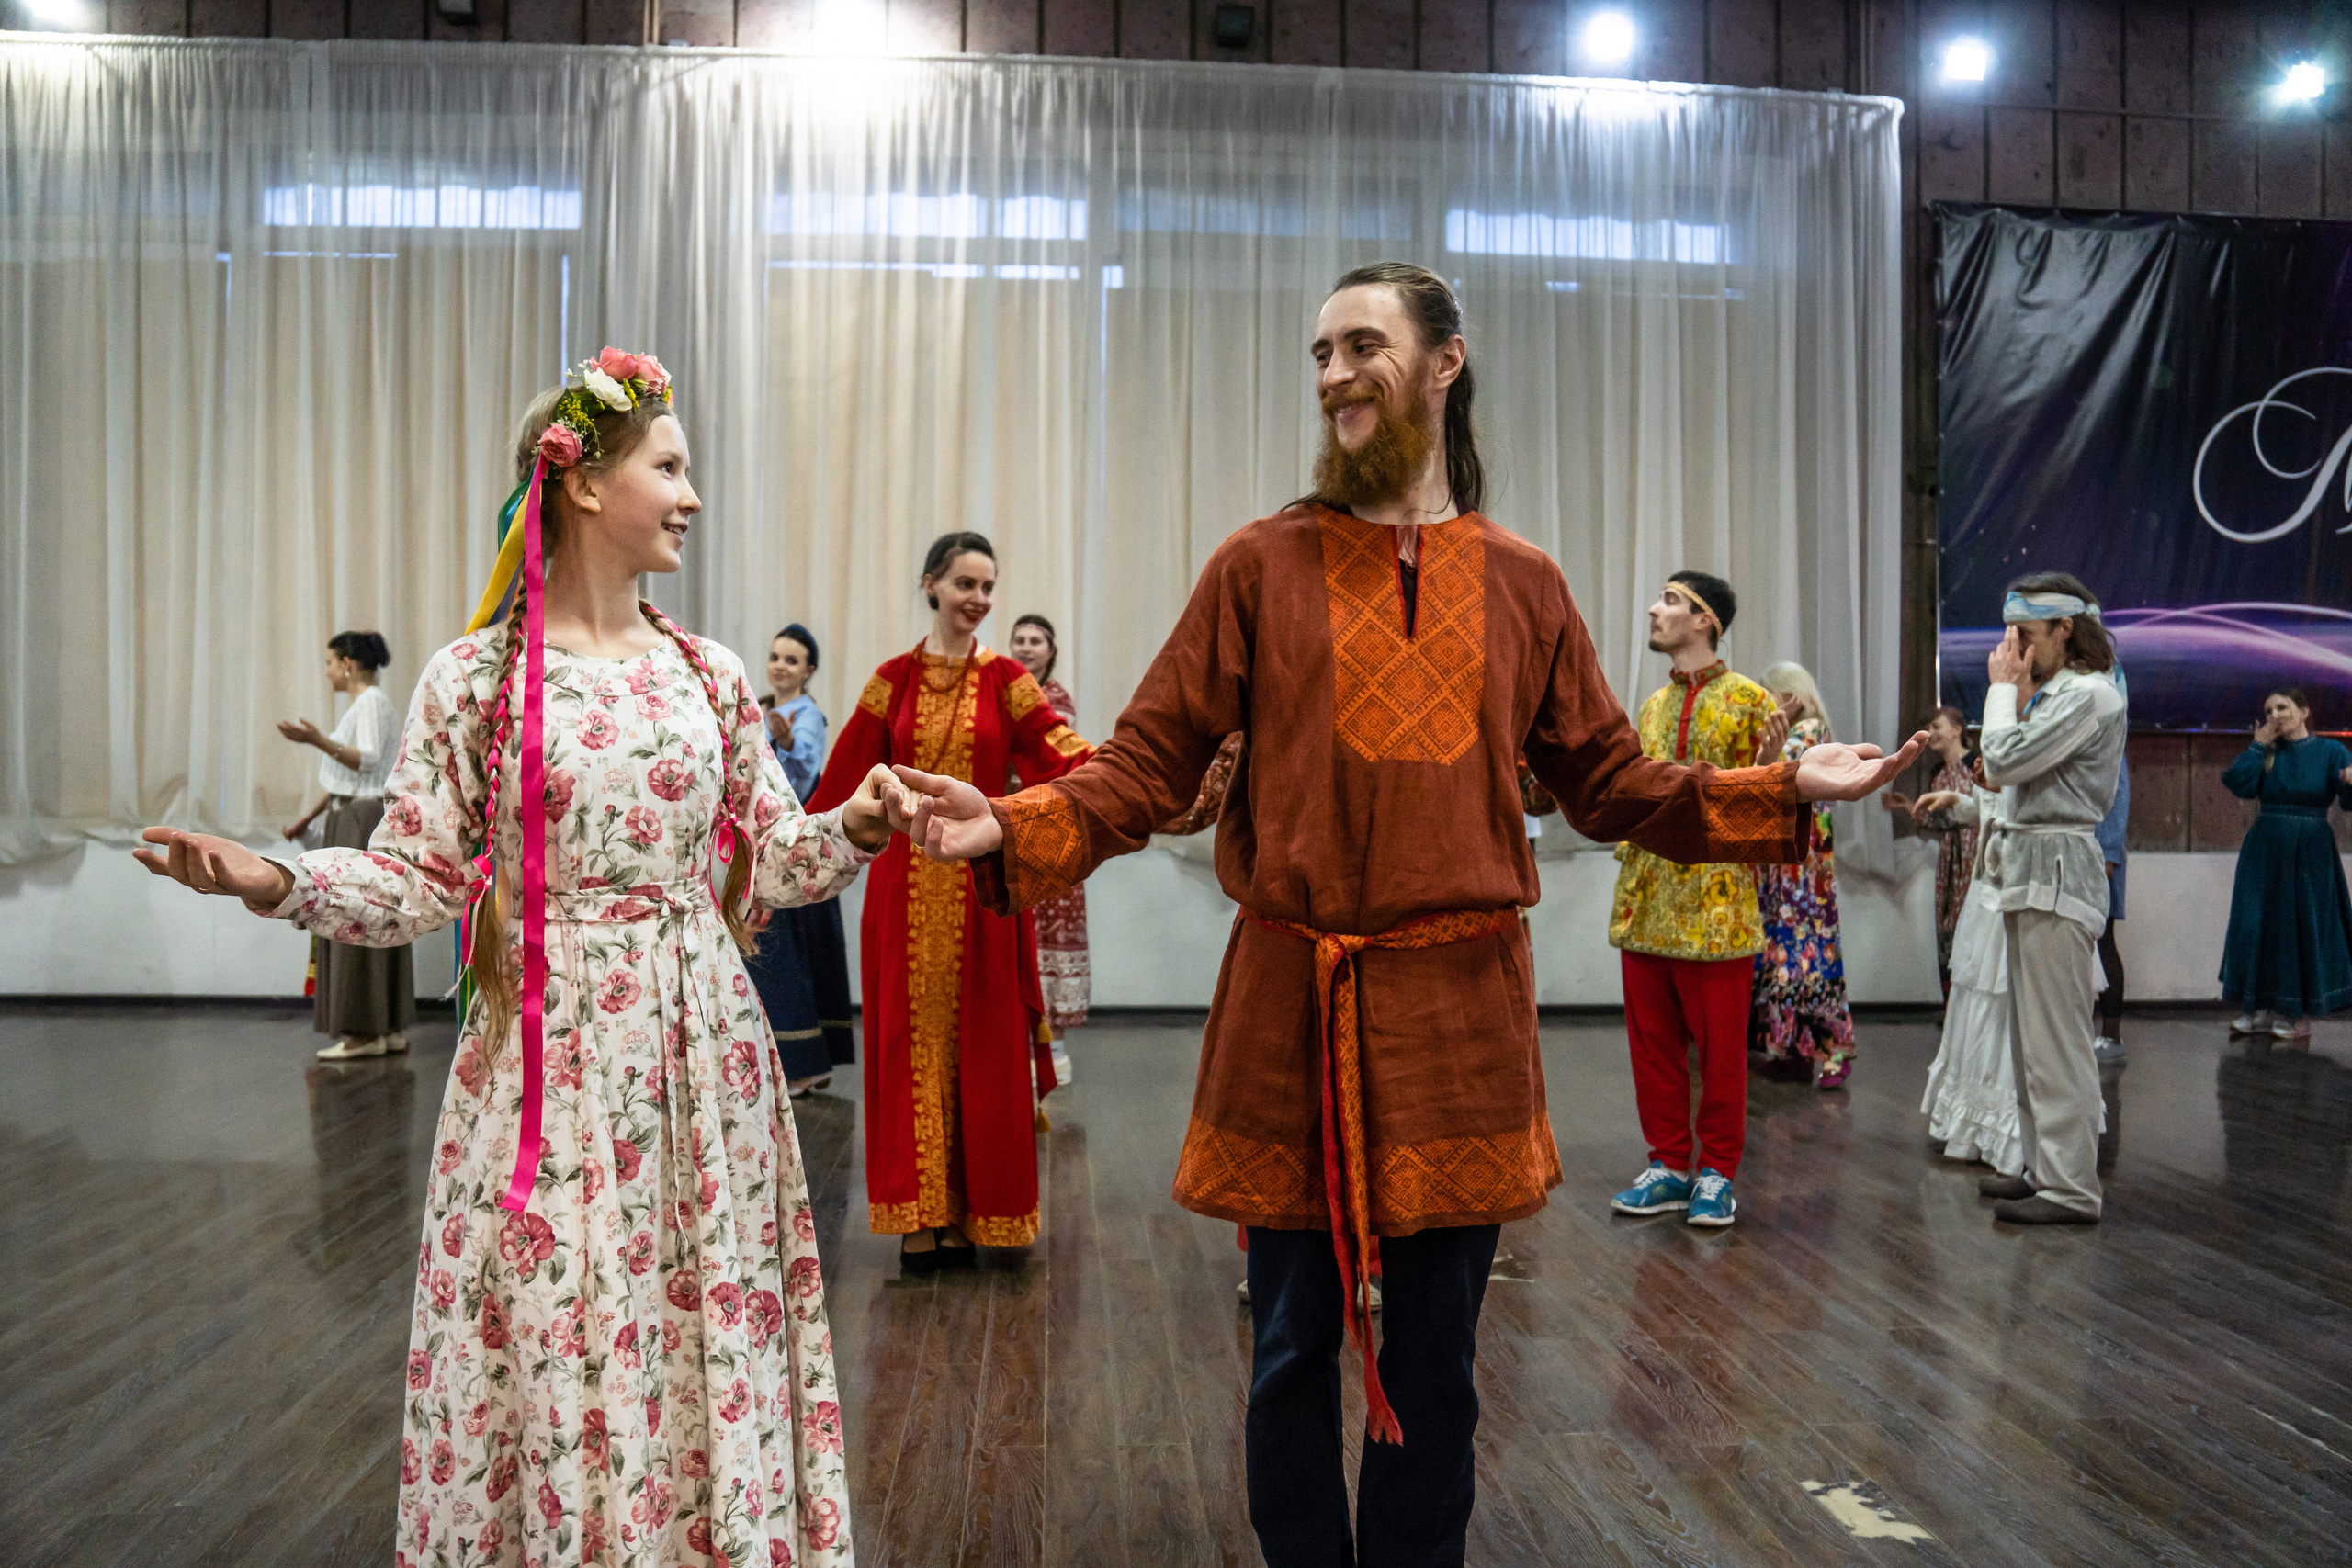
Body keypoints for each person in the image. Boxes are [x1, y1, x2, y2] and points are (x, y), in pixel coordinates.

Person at [882, 263, 1922, 1566]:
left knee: (1438, 1356)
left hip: (1458, 1015)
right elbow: (1146, 759)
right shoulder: (1258, 565)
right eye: (1317, 351)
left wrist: (1781, 784)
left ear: (1445, 362)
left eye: (1360, 345)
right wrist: (1014, 820)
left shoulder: (1526, 581)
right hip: (1291, 1003)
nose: (1330, 375)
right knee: (1287, 1346)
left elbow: (1612, 779)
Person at [135, 351, 901, 1567]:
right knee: (569, 1323)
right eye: (671, 465)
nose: (692, 493)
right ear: (586, 483)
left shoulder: (711, 674)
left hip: (706, 1061)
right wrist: (272, 879)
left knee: (698, 1321)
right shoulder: (478, 677)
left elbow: (776, 859)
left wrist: (853, 823)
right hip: (547, 1059)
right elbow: (419, 878)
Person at [808, 533, 1093, 1272]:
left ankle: (981, 1212)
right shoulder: (890, 680)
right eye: (965, 583)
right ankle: (919, 1214)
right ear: (931, 583)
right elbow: (842, 778)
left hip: (984, 893)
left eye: (988, 586)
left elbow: (1064, 753)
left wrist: (1141, 771)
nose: (979, 599)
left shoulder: (1007, 680)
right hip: (900, 893)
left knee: (986, 1043)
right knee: (908, 1043)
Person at [1916, 571, 2124, 1226]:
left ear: (2067, 629)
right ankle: (2043, 1169)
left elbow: (2003, 759)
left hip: (2058, 878)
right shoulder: (2062, 691)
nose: (2016, 652)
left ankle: (2072, 1188)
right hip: (2031, 869)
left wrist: (2001, 691)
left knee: (2058, 1040)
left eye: (2027, 636)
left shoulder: (2091, 695)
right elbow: (2024, 791)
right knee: (2030, 1040)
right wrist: (1967, 807)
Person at [1605, 572, 1792, 1229]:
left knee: (1719, 1053)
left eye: (1672, 601)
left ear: (1705, 621)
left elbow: (1769, 817)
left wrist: (1769, 771)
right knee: (1651, 1045)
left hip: (1716, 908)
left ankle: (1716, 1172)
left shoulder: (1749, 701)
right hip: (1646, 899)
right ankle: (1667, 1164)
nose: (1656, 608)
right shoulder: (1652, 707)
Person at [277, 630, 414, 1061]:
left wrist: (316, 739)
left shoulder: (370, 702)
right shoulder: (365, 705)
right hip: (353, 813)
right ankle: (385, 1026)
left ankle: (362, 1031)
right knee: (367, 913)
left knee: (352, 914)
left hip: (359, 820)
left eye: (330, 662)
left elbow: (369, 760)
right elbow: (348, 779)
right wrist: (309, 818)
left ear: (349, 664)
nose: (328, 671)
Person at [746, 623, 857, 1095]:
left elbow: (805, 767)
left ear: (808, 671)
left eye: (792, 660)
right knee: (791, 957)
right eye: (775, 656)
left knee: (784, 956)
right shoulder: (766, 710)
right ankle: (804, 1062)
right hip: (772, 846)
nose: (780, 666)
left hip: (793, 850)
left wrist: (786, 742)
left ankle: (802, 1063)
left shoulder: (804, 715)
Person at [2218, 685, 2352, 1045]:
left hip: (2310, 846)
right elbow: (2241, 785)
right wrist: (2257, 744)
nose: (2275, 714)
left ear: (2304, 712)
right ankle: (2256, 1006)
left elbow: (2349, 800)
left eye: (2283, 706)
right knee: (2255, 923)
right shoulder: (2265, 751)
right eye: (2269, 709)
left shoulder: (2331, 751)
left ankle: (2296, 1015)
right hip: (2265, 844)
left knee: (2300, 926)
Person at [1749, 660, 1857, 1089]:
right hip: (1790, 870)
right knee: (1789, 961)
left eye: (1771, 697)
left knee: (1807, 961)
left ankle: (1832, 1049)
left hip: (1803, 874)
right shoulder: (1803, 733)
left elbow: (1778, 783)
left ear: (1790, 696)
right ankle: (1792, 1048)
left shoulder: (1807, 733)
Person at [1011, 613, 1091, 1083]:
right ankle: (1016, 1044)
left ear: (1051, 648)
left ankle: (1053, 1048)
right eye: (1018, 640)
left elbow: (1040, 754)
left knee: (1053, 942)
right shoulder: (1005, 691)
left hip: (1051, 829)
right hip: (1007, 827)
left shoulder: (1056, 700)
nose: (1025, 648)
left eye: (1035, 641)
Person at [1883, 705, 1977, 995]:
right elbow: (1939, 823)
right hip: (1949, 859)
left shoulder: (1977, 765)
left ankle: (1971, 1008)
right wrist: (1909, 807)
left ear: (1957, 730)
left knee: (1971, 928)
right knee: (1946, 929)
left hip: (1974, 858)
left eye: (1938, 727)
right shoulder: (1938, 774)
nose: (1932, 733)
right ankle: (1951, 1009)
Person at [2092, 750, 2131, 1066]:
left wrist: (2108, 851)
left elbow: (2117, 795)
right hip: (2074, 846)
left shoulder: (2109, 737)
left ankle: (2112, 1033)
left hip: (2100, 852)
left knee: (2102, 939)